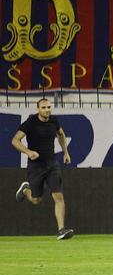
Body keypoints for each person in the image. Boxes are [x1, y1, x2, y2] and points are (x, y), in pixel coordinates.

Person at [12, 98, 74, 240]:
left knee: (58, 196)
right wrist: (28, 152)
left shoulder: (54, 120)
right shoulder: (31, 122)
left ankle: (61, 230)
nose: (47, 110)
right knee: (36, 200)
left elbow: (61, 135)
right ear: (38, 109)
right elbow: (15, 140)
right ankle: (25, 190)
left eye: (49, 107)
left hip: (52, 164)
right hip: (35, 166)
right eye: (44, 107)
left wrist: (66, 152)